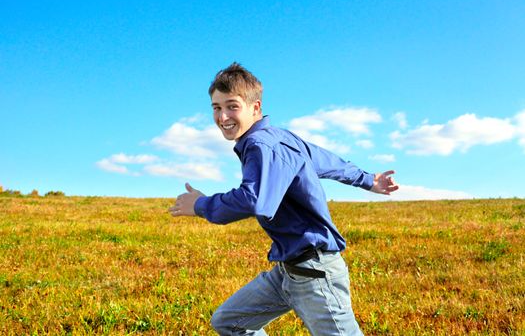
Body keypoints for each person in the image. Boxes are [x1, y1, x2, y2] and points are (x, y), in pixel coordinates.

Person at [169, 62, 399, 335]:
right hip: (287, 272)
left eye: (232, 106)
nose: (222, 116)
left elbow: (254, 200)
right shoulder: (279, 138)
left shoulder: (260, 145)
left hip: (315, 274)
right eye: (216, 108)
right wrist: (368, 180)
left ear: (255, 108)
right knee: (229, 322)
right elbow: (327, 161)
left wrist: (200, 205)